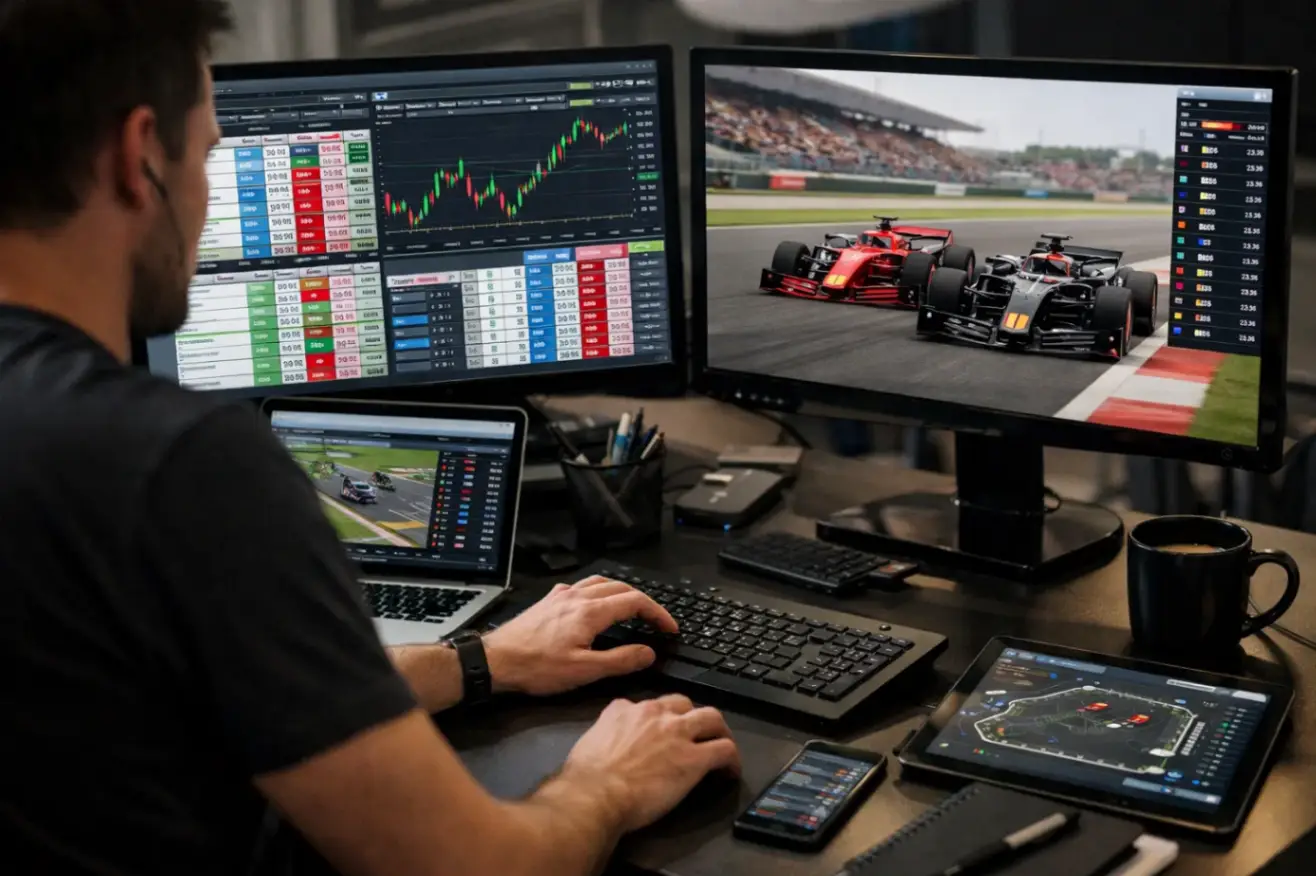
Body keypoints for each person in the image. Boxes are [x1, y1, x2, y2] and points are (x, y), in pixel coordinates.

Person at [0, 3, 740, 875]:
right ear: (138, 158)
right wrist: (606, 785)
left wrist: (484, 661)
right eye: (206, 155)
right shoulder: (176, 466)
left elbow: (233, 697)